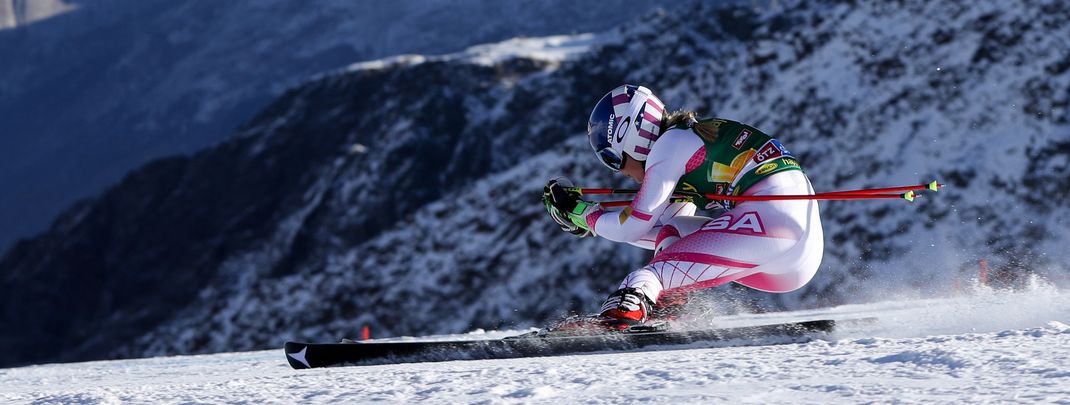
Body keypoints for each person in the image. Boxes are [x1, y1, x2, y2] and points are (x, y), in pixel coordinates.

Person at [543, 84, 823, 329]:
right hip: (793, 250)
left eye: (611, 158)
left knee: (647, 276)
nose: (617, 171)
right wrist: (587, 219)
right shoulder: (684, 142)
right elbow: (663, 229)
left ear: (632, 137)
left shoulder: (670, 146)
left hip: (775, 227)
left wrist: (586, 215)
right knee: (674, 231)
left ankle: (625, 311)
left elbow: (632, 226)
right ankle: (669, 305)